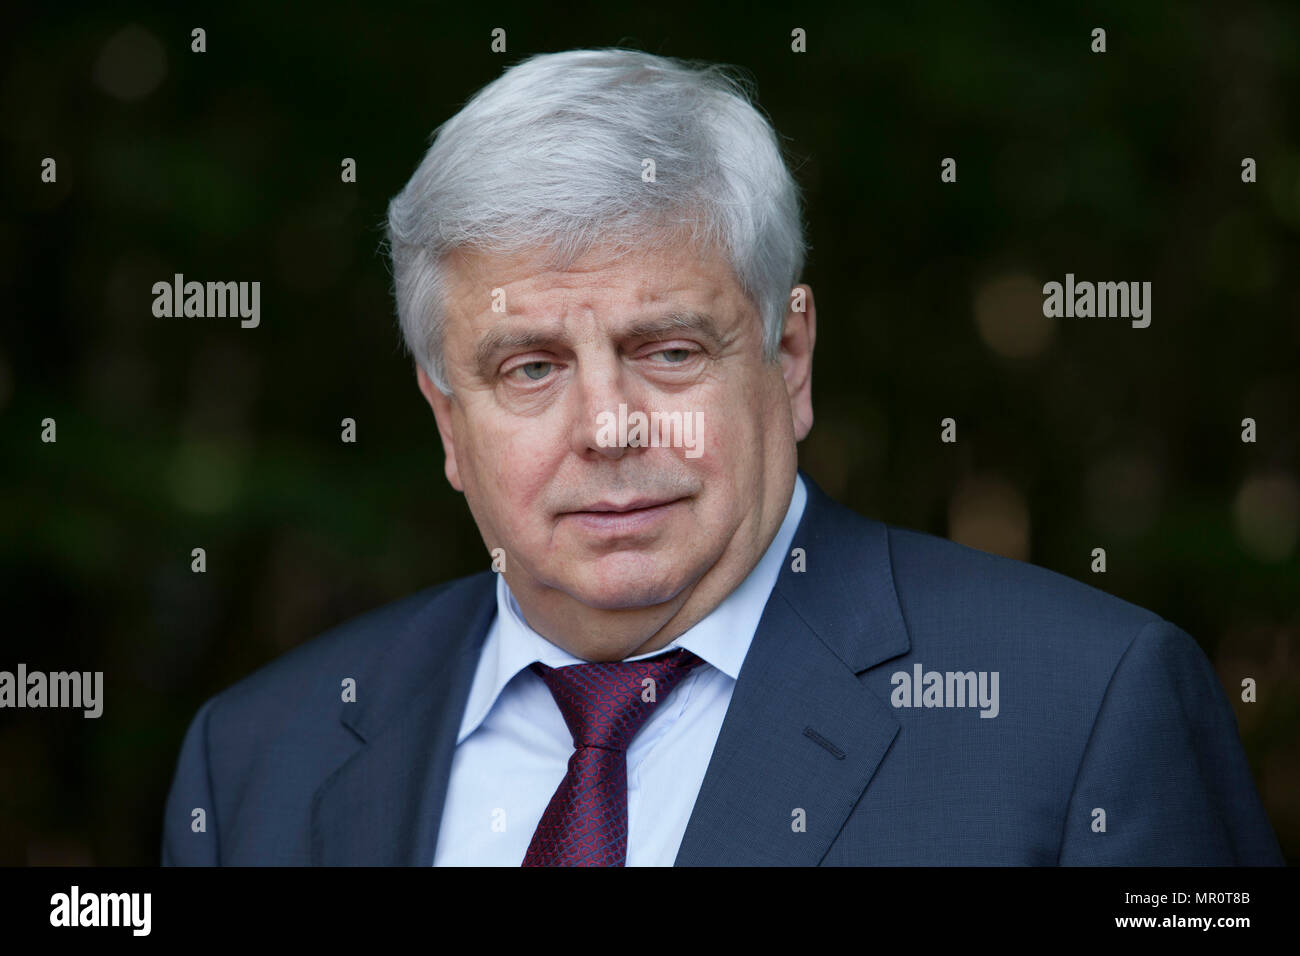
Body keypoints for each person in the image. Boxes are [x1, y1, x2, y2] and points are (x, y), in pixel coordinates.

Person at [161, 48, 1284, 866]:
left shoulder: (1085, 711)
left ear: (789, 357)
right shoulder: (259, 757)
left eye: (668, 348)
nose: (608, 426)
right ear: (449, 421)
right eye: (530, 368)